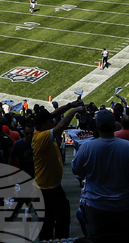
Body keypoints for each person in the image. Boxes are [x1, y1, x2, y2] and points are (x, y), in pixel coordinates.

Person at [71, 109, 129, 241]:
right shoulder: (128, 147)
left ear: (97, 128)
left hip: (96, 205)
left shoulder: (87, 147)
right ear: (114, 126)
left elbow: (75, 169)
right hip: (123, 204)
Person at [33, 101, 85, 241]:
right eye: (50, 120)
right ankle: (61, 240)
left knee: (49, 218)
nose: (53, 121)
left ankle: (50, 239)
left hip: (49, 185)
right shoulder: (42, 137)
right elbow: (61, 127)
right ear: (44, 124)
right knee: (60, 217)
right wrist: (74, 111)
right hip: (47, 187)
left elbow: (55, 114)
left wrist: (70, 105)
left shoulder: (41, 130)